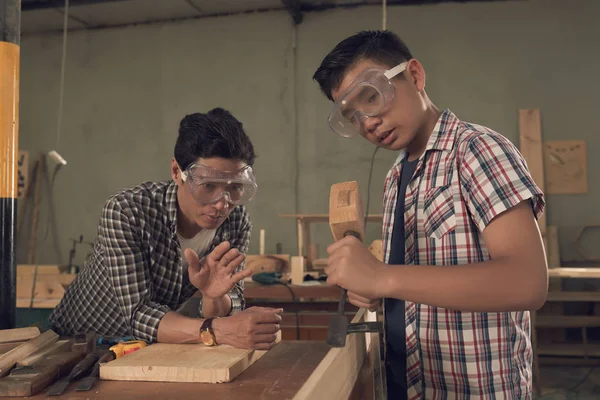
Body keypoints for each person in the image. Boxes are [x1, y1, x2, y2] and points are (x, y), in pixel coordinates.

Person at [313, 30, 547, 399]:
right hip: (409, 385)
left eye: (372, 97)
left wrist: (383, 277)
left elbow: (527, 281)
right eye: (353, 116)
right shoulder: (395, 177)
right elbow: (410, 283)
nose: (368, 122)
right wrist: (376, 292)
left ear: (415, 76)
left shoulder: (477, 151)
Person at [49, 108, 282, 350]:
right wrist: (216, 330)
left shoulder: (236, 221)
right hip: (72, 345)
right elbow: (139, 314)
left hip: (142, 348)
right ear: (176, 172)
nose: (222, 203)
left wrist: (213, 297)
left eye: (235, 188)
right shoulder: (127, 211)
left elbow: (228, 302)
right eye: (208, 185)